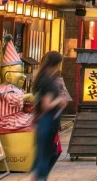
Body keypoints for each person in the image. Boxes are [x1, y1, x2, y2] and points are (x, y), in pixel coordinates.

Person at [31, 51, 71, 181]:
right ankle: (40, 177)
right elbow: (46, 104)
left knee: (43, 153)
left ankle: (36, 177)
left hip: (42, 121)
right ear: (58, 64)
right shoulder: (47, 81)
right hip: (47, 122)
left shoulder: (42, 77)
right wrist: (59, 101)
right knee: (46, 154)